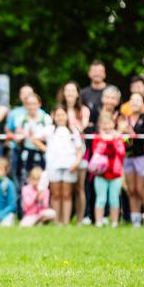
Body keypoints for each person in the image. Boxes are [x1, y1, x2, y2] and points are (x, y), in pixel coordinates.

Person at [33, 106, 82, 225]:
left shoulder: (73, 130)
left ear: (67, 116)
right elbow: (35, 138)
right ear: (53, 116)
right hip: (53, 165)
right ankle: (56, 221)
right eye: (58, 115)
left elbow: (79, 149)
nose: (60, 117)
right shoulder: (49, 129)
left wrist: (76, 162)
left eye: (63, 114)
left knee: (66, 194)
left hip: (69, 165)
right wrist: (46, 149)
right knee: (55, 194)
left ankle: (65, 221)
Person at [57, 81, 89, 224]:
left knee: (79, 188)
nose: (69, 93)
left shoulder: (83, 110)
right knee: (63, 190)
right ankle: (63, 220)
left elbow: (83, 127)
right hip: (61, 154)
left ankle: (80, 220)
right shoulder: (58, 109)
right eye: (67, 90)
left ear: (77, 93)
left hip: (78, 152)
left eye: (72, 90)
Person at [125, 92, 144, 227]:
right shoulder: (125, 119)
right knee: (131, 189)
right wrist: (125, 135)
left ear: (143, 104)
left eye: (138, 100)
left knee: (141, 189)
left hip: (143, 156)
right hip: (129, 156)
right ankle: (135, 220)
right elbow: (125, 141)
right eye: (132, 100)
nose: (135, 103)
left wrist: (134, 134)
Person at [91, 111, 126, 228]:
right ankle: (99, 221)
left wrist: (116, 138)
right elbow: (97, 152)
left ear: (113, 124)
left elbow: (122, 152)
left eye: (109, 123)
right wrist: (106, 140)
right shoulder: (97, 138)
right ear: (100, 126)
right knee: (101, 198)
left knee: (114, 198)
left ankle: (115, 222)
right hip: (101, 174)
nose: (107, 127)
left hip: (115, 173)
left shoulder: (119, 138)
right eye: (104, 124)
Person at [13, 93, 52, 184]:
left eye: (34, 103)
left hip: (42, 153)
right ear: (25, 105)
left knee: (42, 180)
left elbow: (50, 137)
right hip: (26, 153)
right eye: (29, 104)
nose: (31, 107)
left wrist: (35, 137)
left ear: (39, 104)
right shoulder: (20, 119)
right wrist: (22, 135)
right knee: (25, 180)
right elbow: (17, 139)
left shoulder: (46, 119)